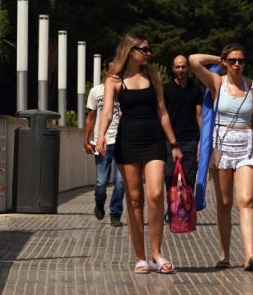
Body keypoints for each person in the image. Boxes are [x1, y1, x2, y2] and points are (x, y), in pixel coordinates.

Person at [96, 33, 183, 275]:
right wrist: (101, 136)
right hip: (128, 141)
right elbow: (107, 114)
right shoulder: (115, 79)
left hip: (154, 140)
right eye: (143, 49)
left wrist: (174, 143)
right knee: (135, 200)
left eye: (148, 49)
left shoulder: (153, 75)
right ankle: (141, 257)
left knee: (156, 194)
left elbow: (163, 112)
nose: (147, 53)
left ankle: (157, 253)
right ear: (130, 50)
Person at [189, 44, 253, 272]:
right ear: (225, 62)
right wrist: (219, 58)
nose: (237, 64)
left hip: (246, 144)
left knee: (245, 200)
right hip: (221, 146)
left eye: (241, 61)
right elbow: (193, 60)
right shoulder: (217, 83)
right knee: (224, 203)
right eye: (232, 60)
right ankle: (224, 255)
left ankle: (250, 254)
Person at [84, 64, 124, 227]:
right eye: (112, 71)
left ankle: (115, 213)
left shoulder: (125, 90)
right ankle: (99, 203)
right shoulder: (96, 91)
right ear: (106, 72)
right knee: (101, 182)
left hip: (122, 141)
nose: (116, 74)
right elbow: (91, 117)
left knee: (120, 182)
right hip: (102, 142)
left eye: (119, 72)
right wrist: (86, 140)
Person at [164, 55, 203, 194]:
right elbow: (163, 115)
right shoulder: (166, 89)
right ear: (173, 69)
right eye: (178, 67)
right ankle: (172, 209)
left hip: (190, 139)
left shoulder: (196, 89)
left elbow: (199, 115)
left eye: (183, 66)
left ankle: (186, 210)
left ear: (188, 68)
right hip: (169, 139)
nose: (181, 69)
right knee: (169, 176)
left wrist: (203, 142)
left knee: (189, 177)